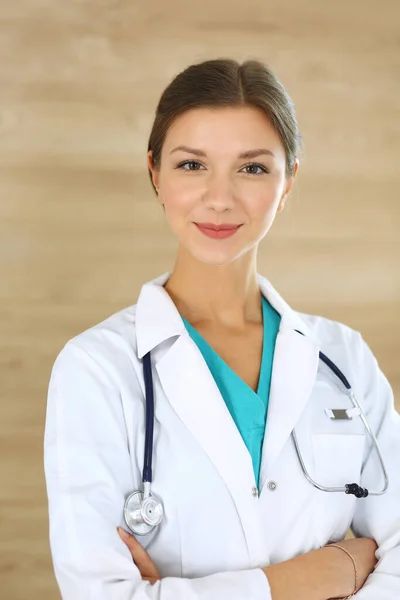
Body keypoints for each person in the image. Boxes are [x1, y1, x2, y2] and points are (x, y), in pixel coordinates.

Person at [43, 58, 400, 600]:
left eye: (253, 168)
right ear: (154, 173)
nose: (220, 197)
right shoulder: (95, 368)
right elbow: (102, 593)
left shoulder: (344, 359)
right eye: (192, 165)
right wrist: (302, 582)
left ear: (288, 182)